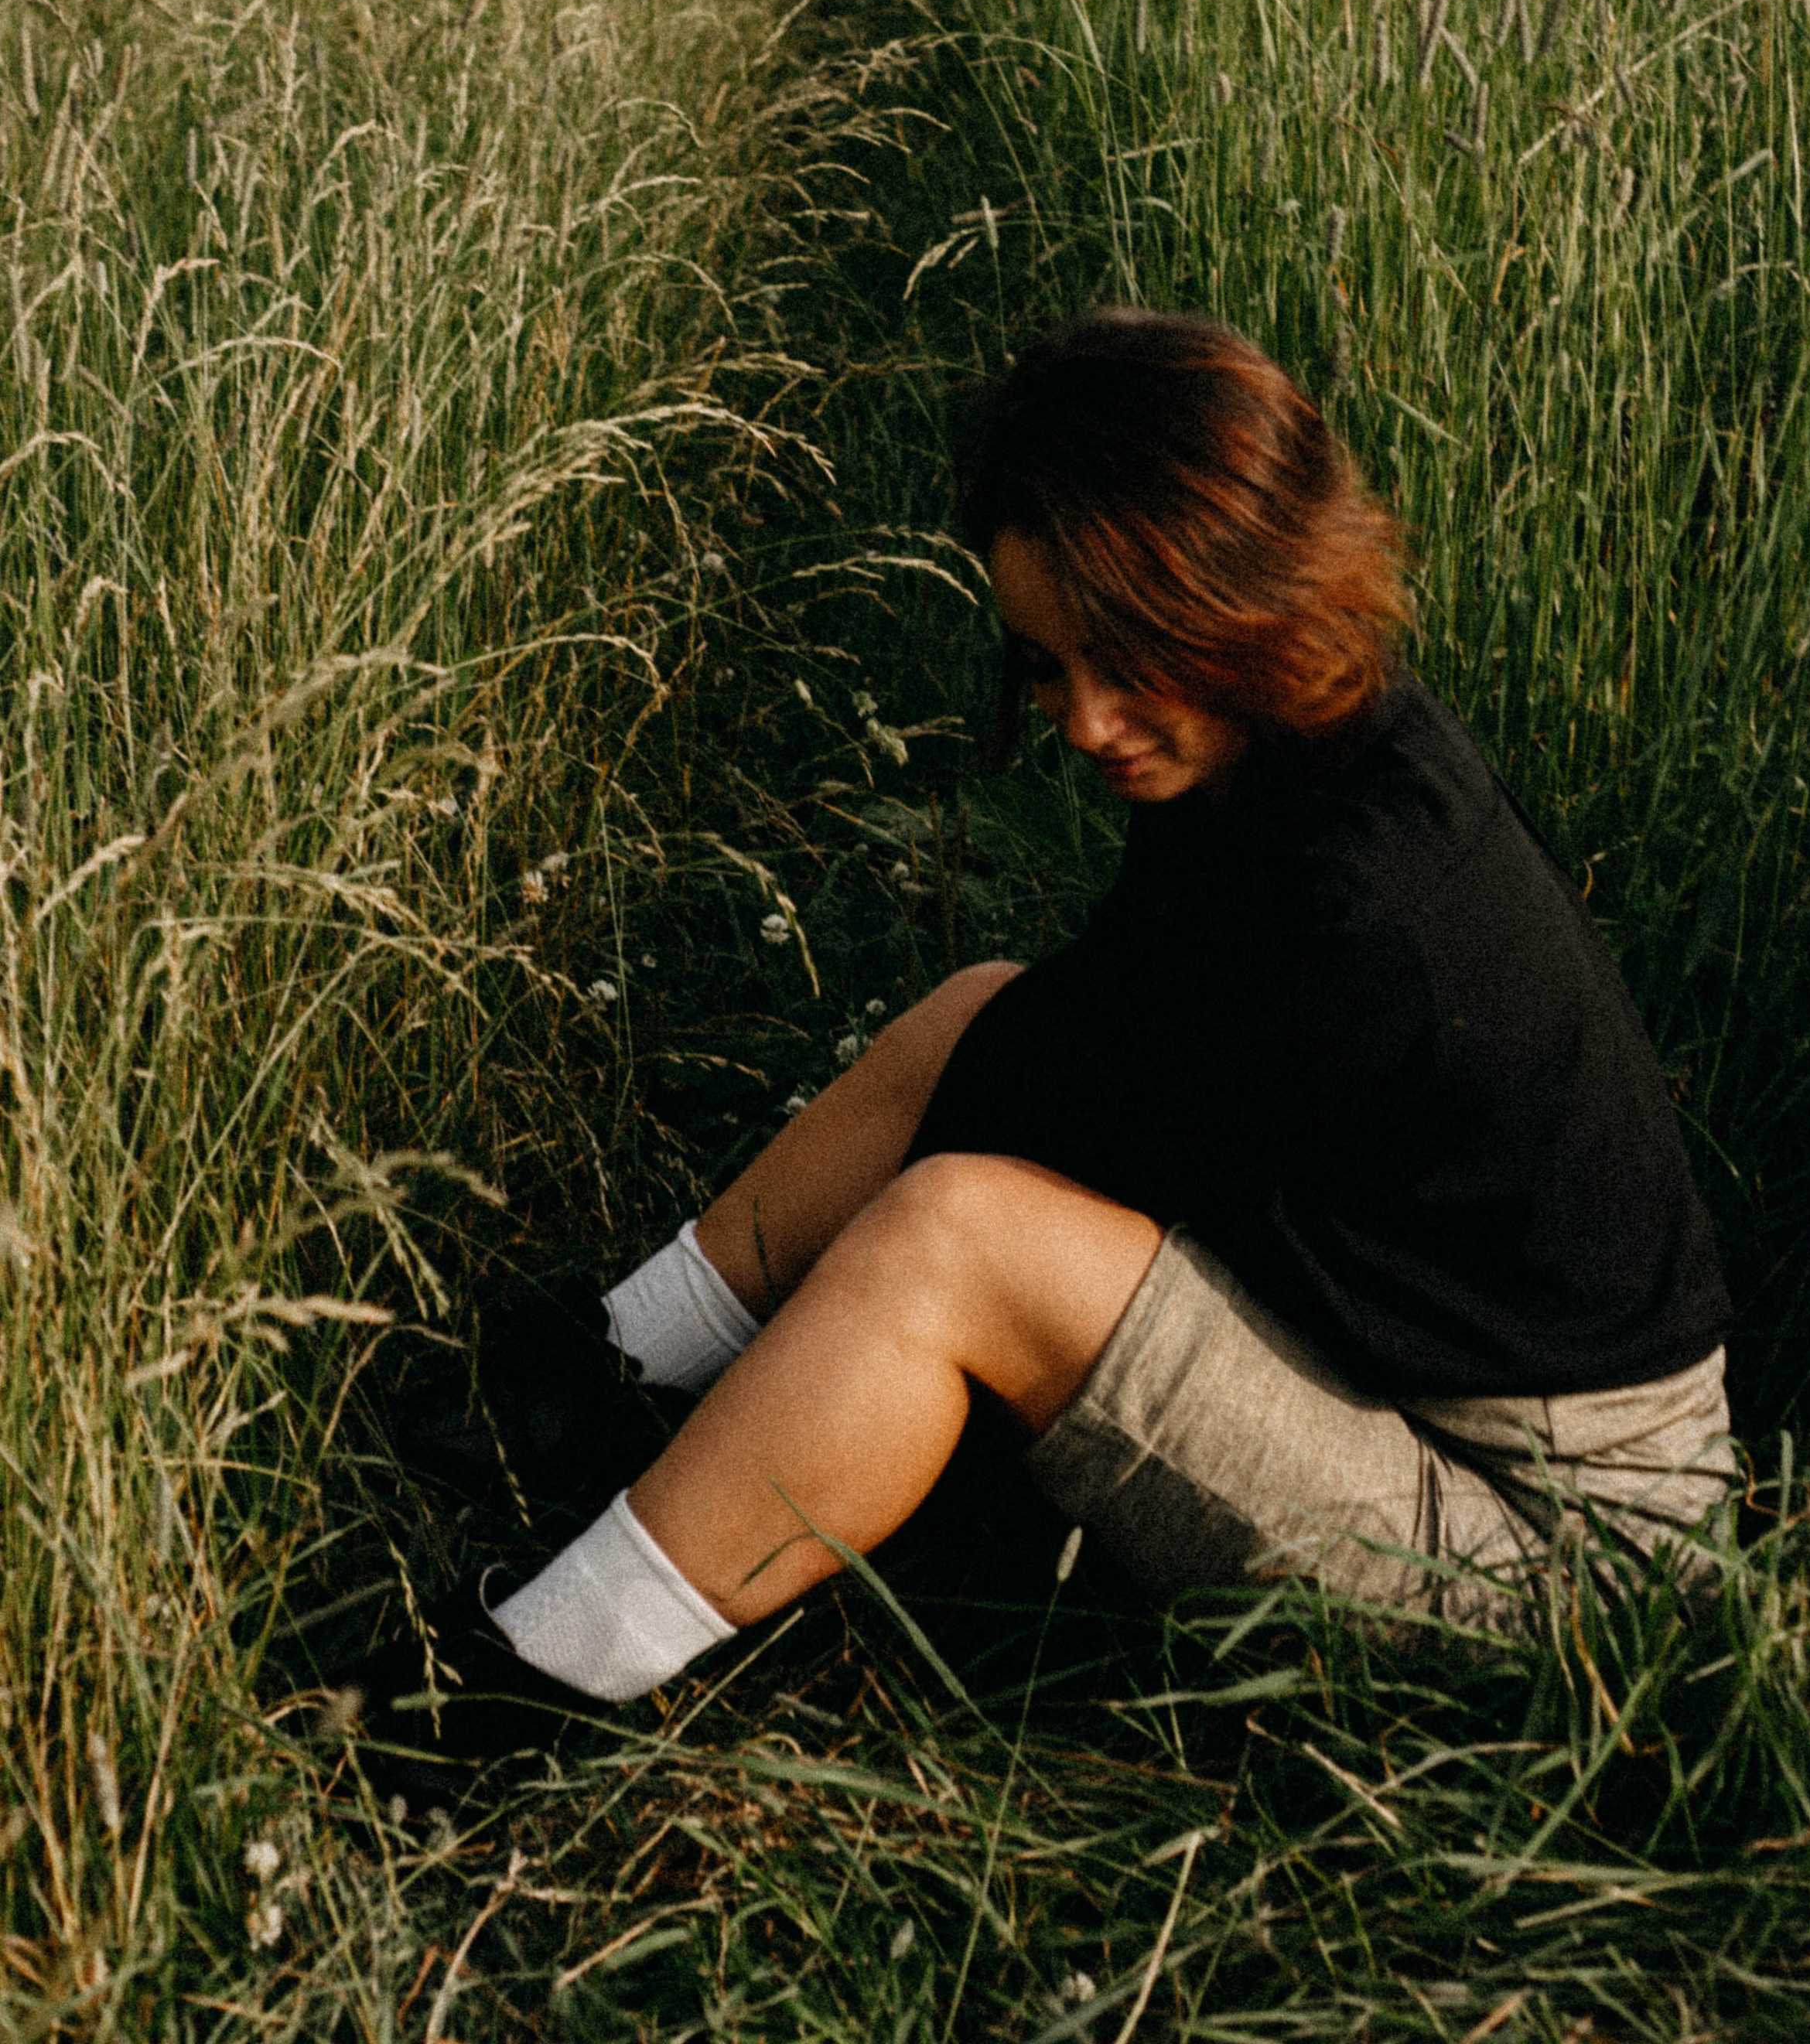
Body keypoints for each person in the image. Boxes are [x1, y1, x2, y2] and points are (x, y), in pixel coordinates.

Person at [344, 309, 1733, 1776]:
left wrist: (858, 1343)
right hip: (1433, 1388)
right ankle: (622, 1370)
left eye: (1126, 658)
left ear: (1245, 594)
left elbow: (1035, 1154)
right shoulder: (1302, 741)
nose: (1082, 722)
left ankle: (530, 1686)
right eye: (1047, 663)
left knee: (954, 1247)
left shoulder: (1362, 912)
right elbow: (1050, 1050)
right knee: (980, 1010)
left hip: (1564, 1569)